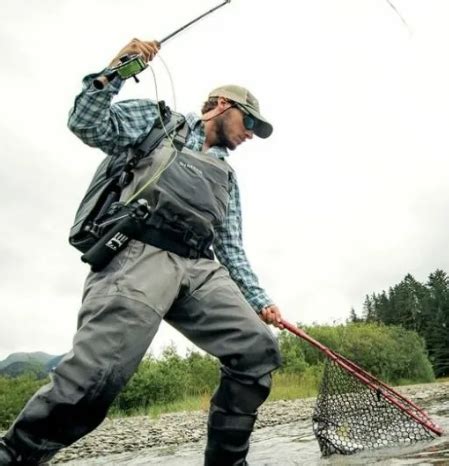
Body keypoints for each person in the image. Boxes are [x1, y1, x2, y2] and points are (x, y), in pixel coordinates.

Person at [0, 39, 283, 466]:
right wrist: (118, 68)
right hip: (138, 254)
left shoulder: (228, 176)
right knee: (98, 378)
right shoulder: (158, 122)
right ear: (222, 105)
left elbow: (230, 249)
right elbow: (87, 124)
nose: (249, 135)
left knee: (258, 350)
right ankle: (15, 455)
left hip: (200, 268)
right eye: (249, 122)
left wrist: (262, 302)